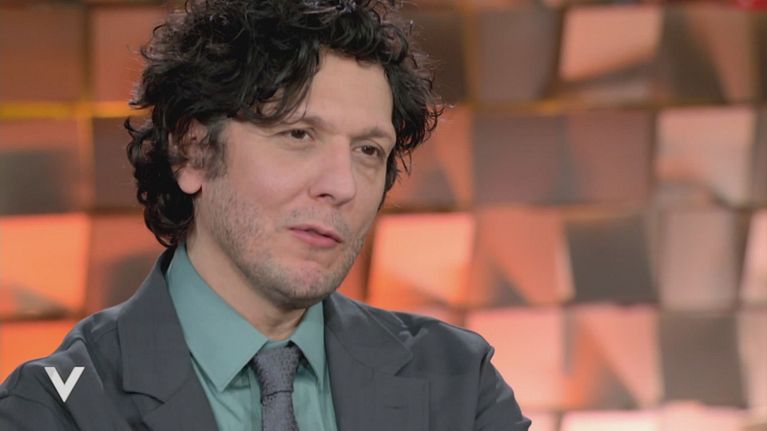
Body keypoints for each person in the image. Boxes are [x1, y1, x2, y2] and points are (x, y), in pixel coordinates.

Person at [0, 0, 531, 429]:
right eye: (298, 135)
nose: (341, 186)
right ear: (192, 152)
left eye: (368, 150)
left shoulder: (459, 384)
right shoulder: (57, 409)